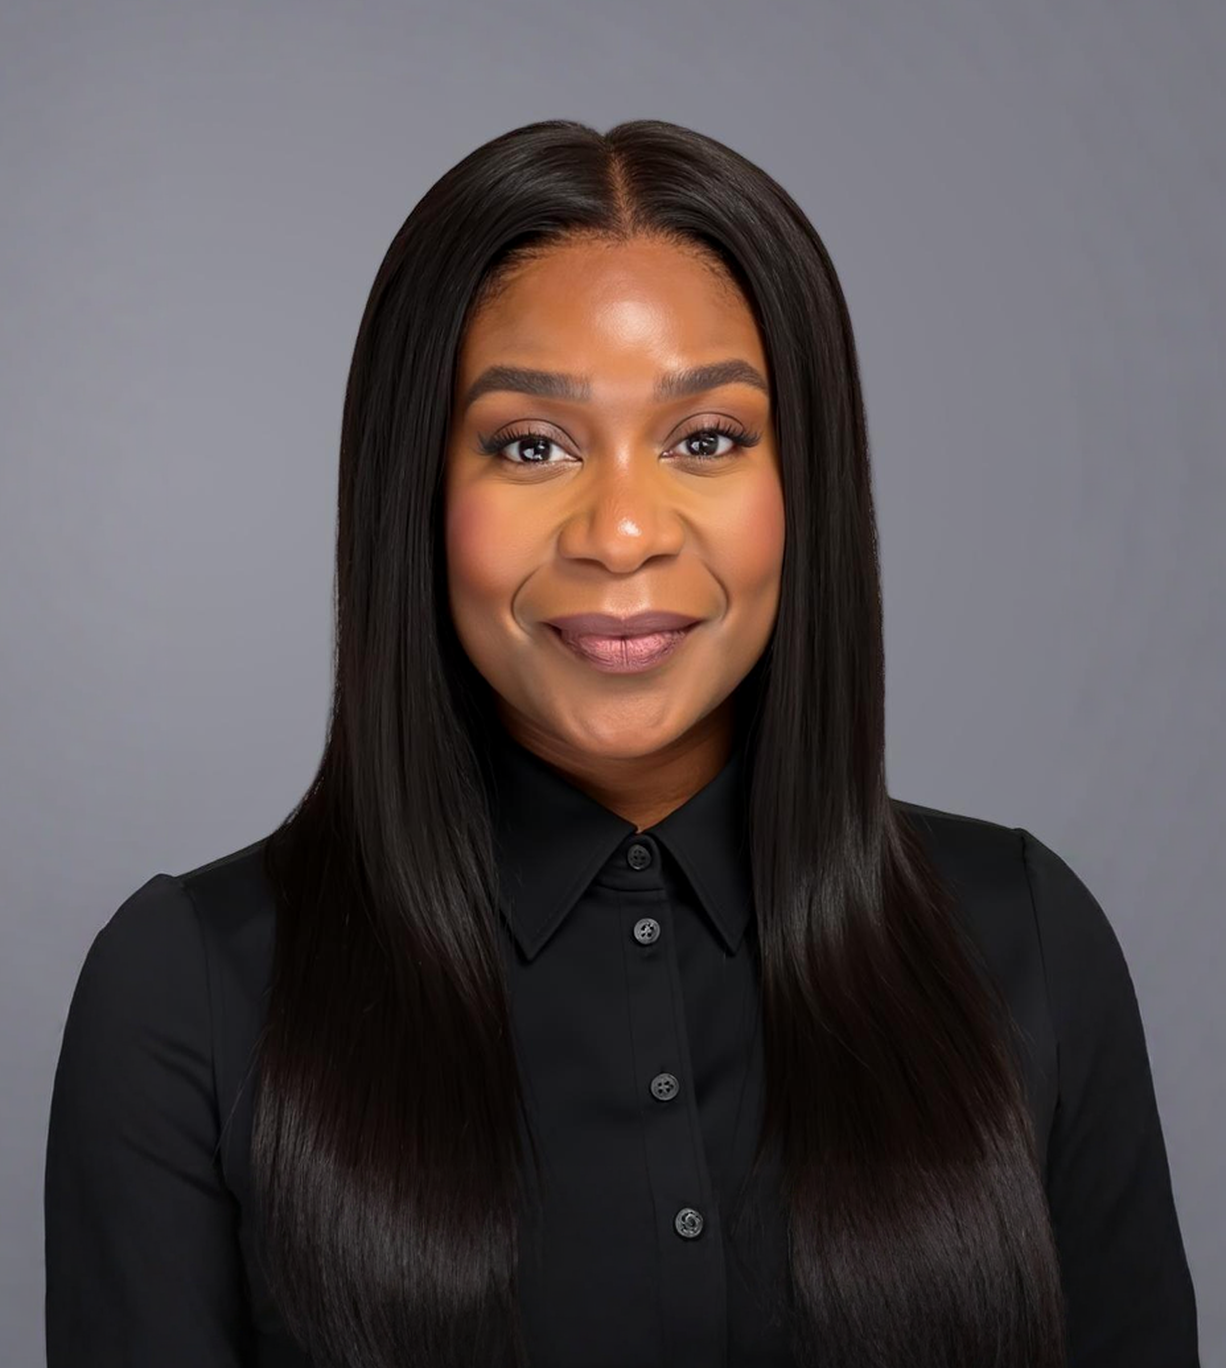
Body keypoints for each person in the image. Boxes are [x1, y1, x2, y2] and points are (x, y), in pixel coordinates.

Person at [43, 118, 1200, 1368]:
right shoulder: (189, 997)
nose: (624, 531)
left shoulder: (1025, 941)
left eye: (706, 438)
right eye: (530, 445)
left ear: (800, 483)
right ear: (417, 495)